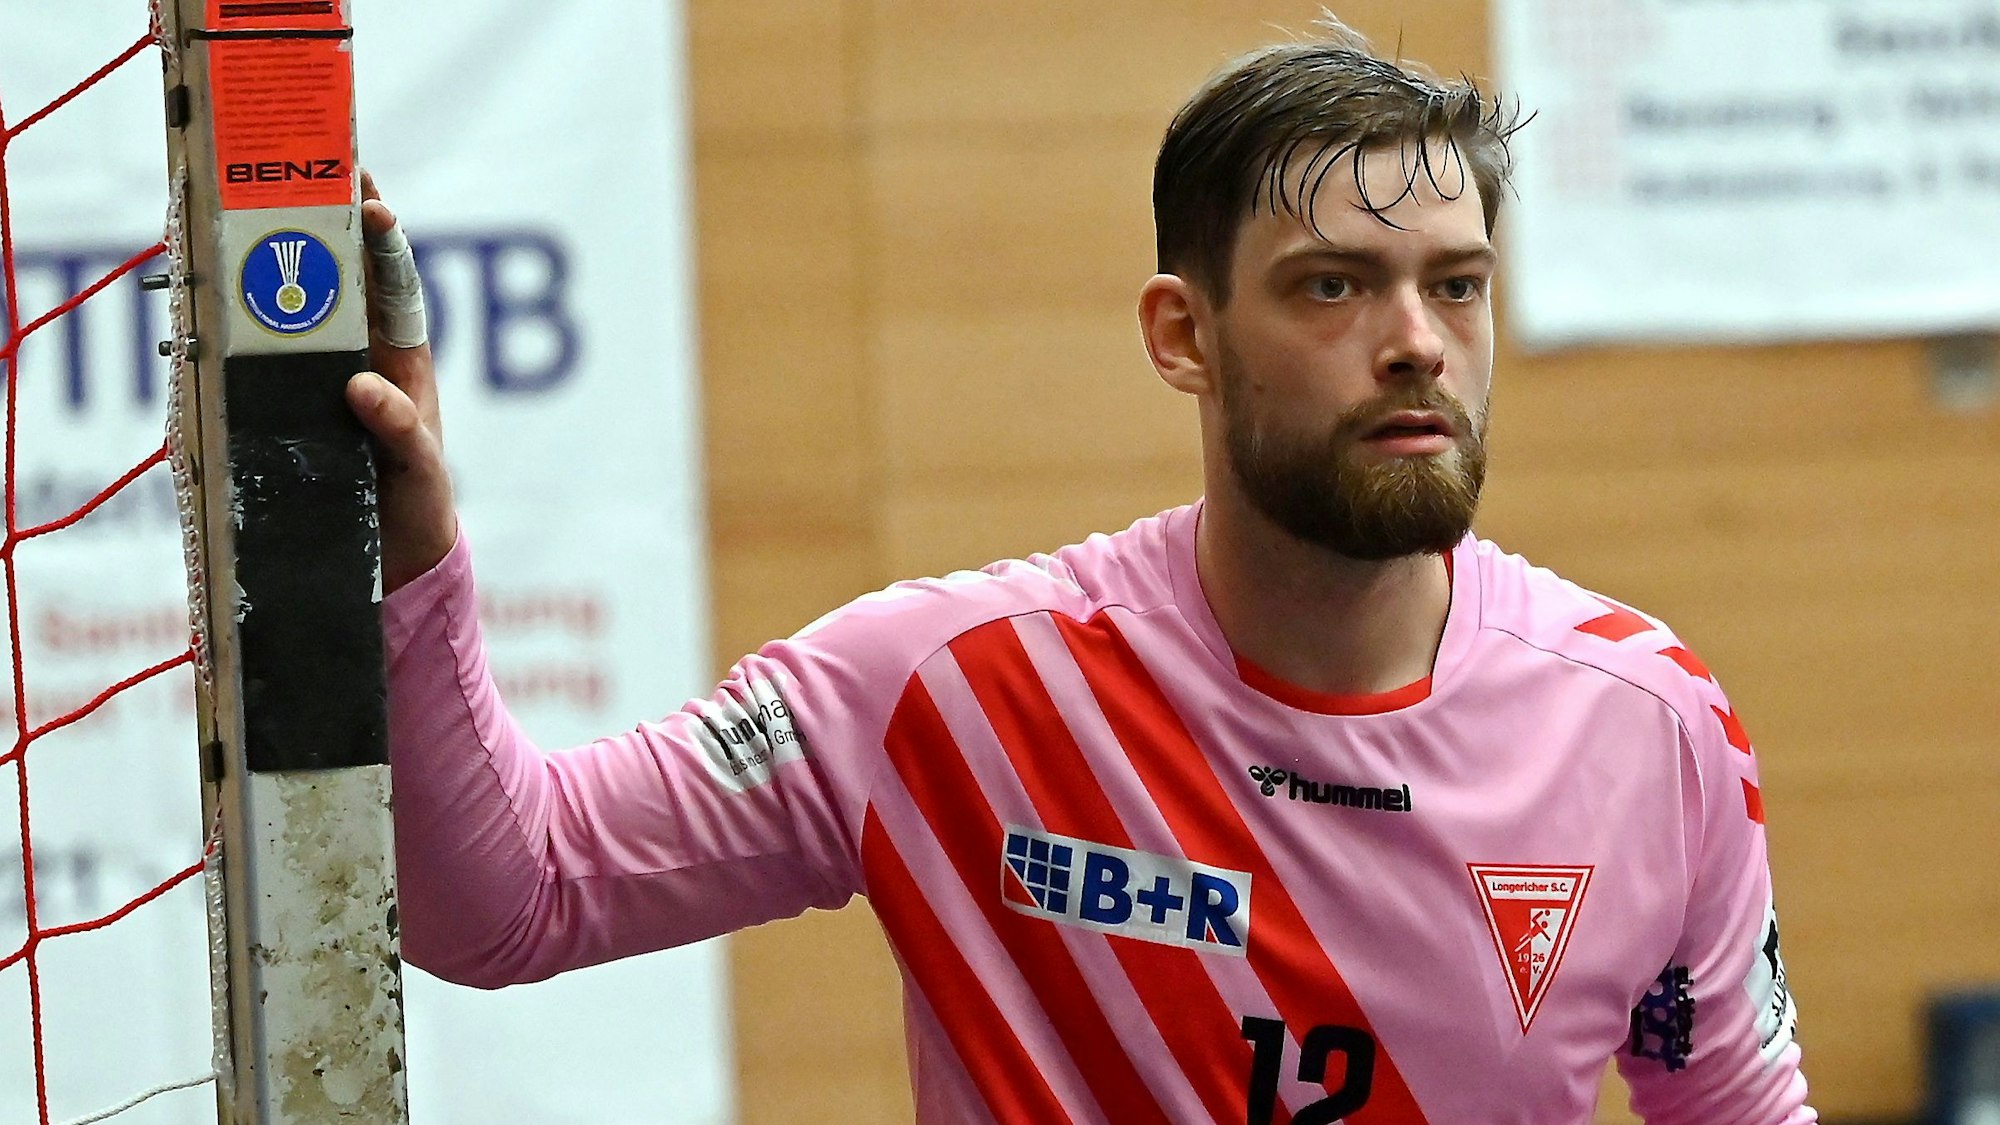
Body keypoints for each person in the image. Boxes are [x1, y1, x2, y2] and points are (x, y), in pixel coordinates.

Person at [345, 19, 1813, 1124]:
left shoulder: (1652, 722)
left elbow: (1738, 1105)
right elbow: (507, 900)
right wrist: (416, 554)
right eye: (1333, 285)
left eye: (1457, 284)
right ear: (1182, 333)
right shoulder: (940, 688)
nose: (1418, 338)